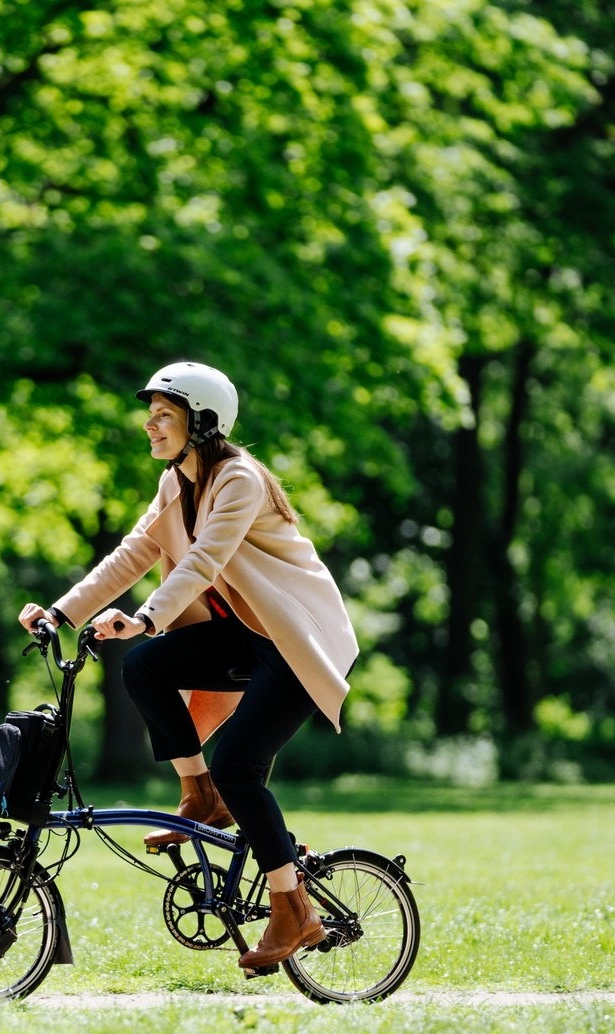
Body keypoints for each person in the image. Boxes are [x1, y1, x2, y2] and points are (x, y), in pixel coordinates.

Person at [19, 362, 360, 971]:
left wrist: (145, 617)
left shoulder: (239, 481)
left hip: (293, 642)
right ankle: (198, 793)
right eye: (149, 413)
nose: (149, 425)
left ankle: (293, 909)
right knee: (145, 666)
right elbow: (133, 553)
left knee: (241, 765)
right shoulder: (176, 483)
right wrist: (61, 612)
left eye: (163, 415)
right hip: (244, 634)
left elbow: (202, 561)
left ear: (200, 422)